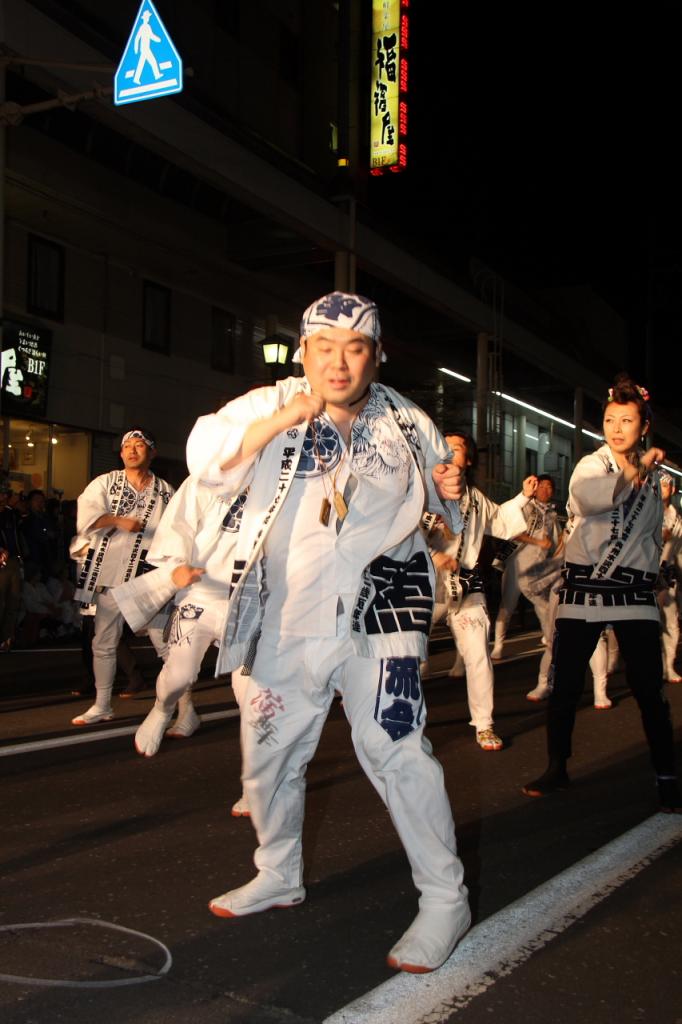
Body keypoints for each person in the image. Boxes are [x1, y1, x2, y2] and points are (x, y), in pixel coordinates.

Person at [186, 291, 470, 973]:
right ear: (304, 350)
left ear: (376, 355)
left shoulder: (408, 421)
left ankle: (444, 899)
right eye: (323, 347)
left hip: (386, 603)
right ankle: (278, 872)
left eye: (355, 348)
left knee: (396, 746)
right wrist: (287, 417)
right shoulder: (265, 404)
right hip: (288, 609)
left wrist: (453, 497)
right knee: (270, 756)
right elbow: (206, 458)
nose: (338, 364)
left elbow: (447, 520)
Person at [522, 375, 680, 812]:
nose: (616, 427)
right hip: (584, 588)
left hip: (632, 592)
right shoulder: (593, 465)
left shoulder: (655, 481)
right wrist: (637, 468)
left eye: (626, 420)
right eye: (610, 419)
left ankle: (667, 776)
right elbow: (590, 500)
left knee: (650, 690)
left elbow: (651, 536)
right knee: (566, 683)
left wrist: (656, 573)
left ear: (642, 426)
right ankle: (558, 766)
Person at [115, 477, 249, 805]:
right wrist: (176, 566)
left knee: (252, 698)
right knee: (180, 674)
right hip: (200, 596)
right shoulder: (210, 475)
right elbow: (179, 524)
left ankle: (254, 785)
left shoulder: (286, 471)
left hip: (253, 603)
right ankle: (163, 708)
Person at [424, 431, 537, 750]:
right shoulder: (419, 490)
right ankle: (399, 722)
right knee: (409, 657)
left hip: (466, 588)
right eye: (442, 448)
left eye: (455, 449)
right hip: (427, 587)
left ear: (468, 460)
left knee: (478, 657)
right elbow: (400, 533)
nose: (447, 453)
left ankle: (484, 724)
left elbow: (501, 522)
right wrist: (433, 555)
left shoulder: (475, 499)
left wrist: (524, 497)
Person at [70, 429, 173, 725]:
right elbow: (87, 519)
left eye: (139, 445)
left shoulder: (167, 491)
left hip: (149, 576)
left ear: (152, 453)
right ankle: (102, 704)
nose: (132, 450)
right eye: (127, 446)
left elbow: (181, 528)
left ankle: (181, 702)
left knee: (163, 641)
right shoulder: (105, 483)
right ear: (120, 453)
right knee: (103, 641)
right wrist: (117, 520)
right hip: (111, 573)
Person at [491, 474, 560, 659]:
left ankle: (549, 638)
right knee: (507, 605)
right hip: (517, 564)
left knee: (544, 606)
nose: (546, 490)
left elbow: (555, 539)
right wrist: (538, 542)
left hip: (539, 567)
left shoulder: (552, 513)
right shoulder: (525, 507)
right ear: (535, 488)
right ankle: (498, 644)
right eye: (543, 486)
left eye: (550, 487)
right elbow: (513, 534)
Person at [659, 473, 682, 684]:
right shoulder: (642, 511)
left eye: (665, 485)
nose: (661, 487)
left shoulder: (678, 518)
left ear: (672, 490)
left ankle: (669, 666)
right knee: (644, 626)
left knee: (672, 623)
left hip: (669, 575)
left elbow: (680, 552)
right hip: (644, 575)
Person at [0, 482, 24, 651]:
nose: (4, 496)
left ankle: (7, 638)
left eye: (5, 493)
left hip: (14, 560)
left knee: (13, 600)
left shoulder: (10, 514)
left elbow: (23, 519)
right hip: (2, 561)